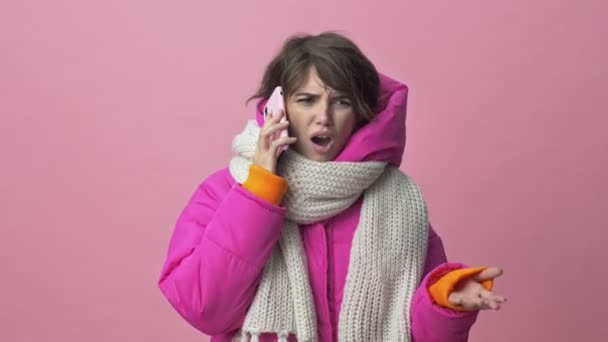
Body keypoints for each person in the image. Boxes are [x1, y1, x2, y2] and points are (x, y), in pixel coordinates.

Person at [158, 31, 507, 342]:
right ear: (277, 107)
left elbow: (413, 331)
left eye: (341, 101)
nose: (323, 116)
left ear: (360, 114)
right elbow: (204, 309)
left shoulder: (399, 201)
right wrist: (260, 191)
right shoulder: (224, 191)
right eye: (306, 99)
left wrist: (443, 301)